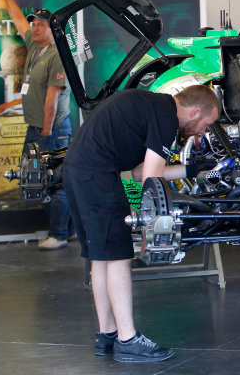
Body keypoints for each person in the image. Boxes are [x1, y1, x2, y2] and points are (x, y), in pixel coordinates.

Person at [62, 85, 219, 362]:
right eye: (205, 124)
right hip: (98, 174)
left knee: (101, 257)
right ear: (195, 112)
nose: (201, 132)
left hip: (80, 171)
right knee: (120, 257)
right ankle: (128, 340)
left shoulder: (153, 106)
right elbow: (151, 177)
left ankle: (107, 334)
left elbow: (137, 173)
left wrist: (195, 169)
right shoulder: (167, 117)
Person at [0, 0, 73, 250]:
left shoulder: (57, 54)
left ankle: (59, 235)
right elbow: (17, 20)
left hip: (52, 129)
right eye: (34, 23)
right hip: (37, 127)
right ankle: (68, 229)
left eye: (41, 24)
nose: (35, 27)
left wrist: (46, 132)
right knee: (37, 181)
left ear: (53, 29)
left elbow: (52, 98)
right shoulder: (35, 46)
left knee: (52, 182)